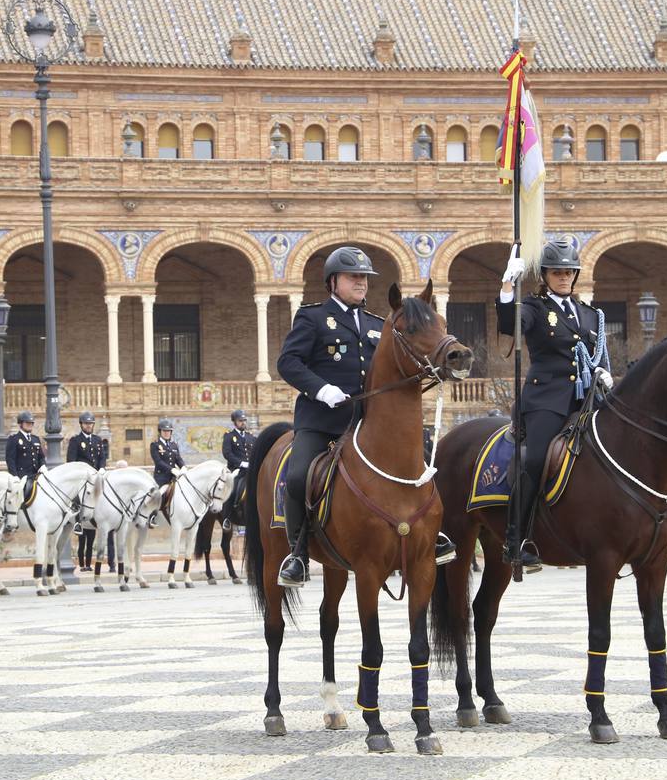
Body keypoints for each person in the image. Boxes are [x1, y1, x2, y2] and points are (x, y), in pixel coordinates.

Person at [275, 246, 455, 589]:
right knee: (298, 475)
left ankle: (432, 532)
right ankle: (298, 552)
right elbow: (289, 362)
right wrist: (321, 389)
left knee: (425, 462)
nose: (361, 283)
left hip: (368, 422)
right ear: (333, 282)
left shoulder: (377, 324)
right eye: (353, 277)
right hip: (322, 421)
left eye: (364, 278)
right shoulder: (312, 318)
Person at [497, 241, 612, 571]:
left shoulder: (592, 315)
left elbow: (598, 353)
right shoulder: (533, 307)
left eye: (568, 272)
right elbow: (510, 327)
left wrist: (604, 373)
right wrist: (507, 287)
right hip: (547, 398)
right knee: (535, 460)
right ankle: (516, 537)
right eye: (556, 272)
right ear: (545, 275)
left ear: (575, 275)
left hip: (588, 399)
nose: (563, 277)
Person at [68, 411, 107, 570]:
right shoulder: (76, 441)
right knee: (78, 498)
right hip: (82, 478)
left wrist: (102, 468)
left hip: (96, 477)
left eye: (91, 423)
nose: (89, 426)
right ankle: (77, 521)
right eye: (86, 423)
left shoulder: (98, 440)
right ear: (81, 425)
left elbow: (102, 457)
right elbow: (71, 460)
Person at [220, 409, 255, 525]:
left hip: (251, 469)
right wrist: (241, 463)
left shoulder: (251, 437)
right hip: (237, 470)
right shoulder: (229, 436)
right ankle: (227, 517)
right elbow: (227, 453)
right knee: (232, 488)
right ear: (234, 422)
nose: (243, 423)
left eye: (244, 420)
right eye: (240, 421)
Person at [149, 419, 184, 528]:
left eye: (169, 431)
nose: (167, 433)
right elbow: (158, 462)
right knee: (158, 494)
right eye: (164, 431)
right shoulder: (155, 444)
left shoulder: (174, 445)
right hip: (162, 478)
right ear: (160, 431)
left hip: (173, 477)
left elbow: (178, 459)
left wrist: (184, 467)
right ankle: (152, 516)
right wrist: (172, 469)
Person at [6, 411, 45, 502]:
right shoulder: (14, 439)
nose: (29, 425)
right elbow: (10, 460)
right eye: (27, 423)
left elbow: (41, 457)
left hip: (36, 476)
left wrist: (43, 466)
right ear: (20, 424)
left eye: (31, 423)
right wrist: (15, 477)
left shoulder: (36, 439)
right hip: (22, 477)